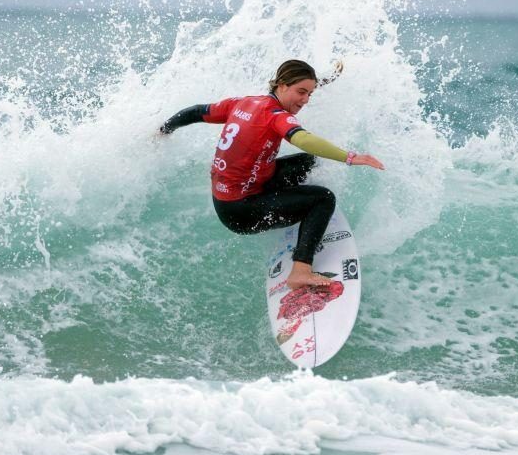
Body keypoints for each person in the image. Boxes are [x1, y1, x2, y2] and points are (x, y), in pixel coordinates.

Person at [158, 59, 384, 289]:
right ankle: (301, 271)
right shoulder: (276, 115)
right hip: (241, 212)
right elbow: (303, 139)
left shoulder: (243, 103)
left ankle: (299, 210)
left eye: (310, 94)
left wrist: (164, 129)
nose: (305, 100)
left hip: (235, 194)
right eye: (301, 92)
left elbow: (196, 112)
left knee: (309, 163)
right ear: (282, 86)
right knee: (324, 198)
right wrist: (350, 157)